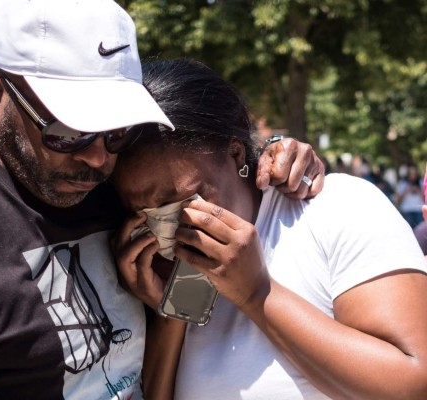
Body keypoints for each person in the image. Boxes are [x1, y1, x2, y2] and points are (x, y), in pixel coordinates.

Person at [0, 2, 323, 399]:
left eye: (115, 130)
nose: (95, 158)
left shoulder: (108, 183)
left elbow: (191, 269)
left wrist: (266, 155)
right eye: (66, 131)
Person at [111, 59, 427, 399]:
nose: (167, 228)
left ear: (234, 152)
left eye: (185, 198)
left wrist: (257, 294)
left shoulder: (335, 207)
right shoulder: (179, 277)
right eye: (143, 213)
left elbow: (413, 383)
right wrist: (172, 312)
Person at [394, 164, 424, 228]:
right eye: (411, 174)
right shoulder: (402, 183)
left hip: (419, 209)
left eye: (414, 173)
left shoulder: (421, 182)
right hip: (407, 210)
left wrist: (418, 190)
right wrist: (407, 190)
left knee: (420, 231)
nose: (412, 176)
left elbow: (425, 197)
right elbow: (398, 199)